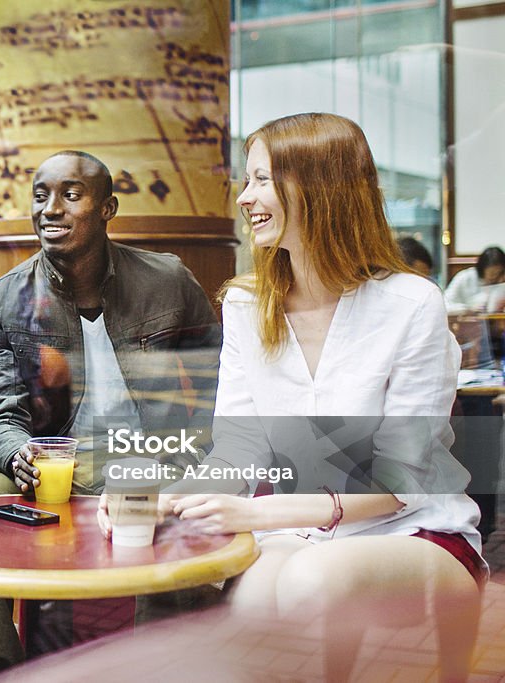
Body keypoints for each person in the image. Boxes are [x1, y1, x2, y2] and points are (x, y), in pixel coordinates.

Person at [101, 113, 486, 681]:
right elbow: (237, 451)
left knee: (308, 583)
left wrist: (255, 511)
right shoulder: (245, 305)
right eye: (248, 180)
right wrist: (162, 498)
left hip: (414, 530)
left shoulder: (412, 303)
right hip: (296, 529)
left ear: (319, 189)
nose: (244, 197)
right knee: (252, 604)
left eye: (260, 179)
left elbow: (402, 484)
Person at [0, 149, 220, 680]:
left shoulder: (168, 281)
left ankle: (168, 665)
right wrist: (17, 453)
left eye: (71, 195)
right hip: (57, 467)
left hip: (151, 459)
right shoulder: (1, 301)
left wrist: (183, 455)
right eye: (41, 196)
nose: (51, 209)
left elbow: (218, 388)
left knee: (175, 499)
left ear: (108, 208)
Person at [444, 245, 505, 313]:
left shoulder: (501, 282)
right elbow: (445, 305)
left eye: (499, 273)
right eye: (492, 273)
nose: (495, 277)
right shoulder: (465, 277)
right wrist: (467, 309)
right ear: (482, 268)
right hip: (463, 320)